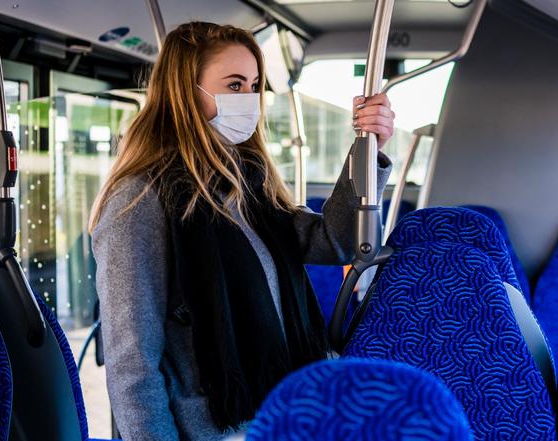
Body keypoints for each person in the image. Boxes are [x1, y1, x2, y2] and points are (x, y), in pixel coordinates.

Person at [89, 21, 394, 441]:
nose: (248, 99)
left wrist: (367, 151)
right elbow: (132, 361)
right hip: (213, 427)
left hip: (283, 409)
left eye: (253, 85)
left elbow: (336, 241)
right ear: (185, 92)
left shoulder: (248, 187)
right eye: (234, 85)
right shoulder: (139, 199)